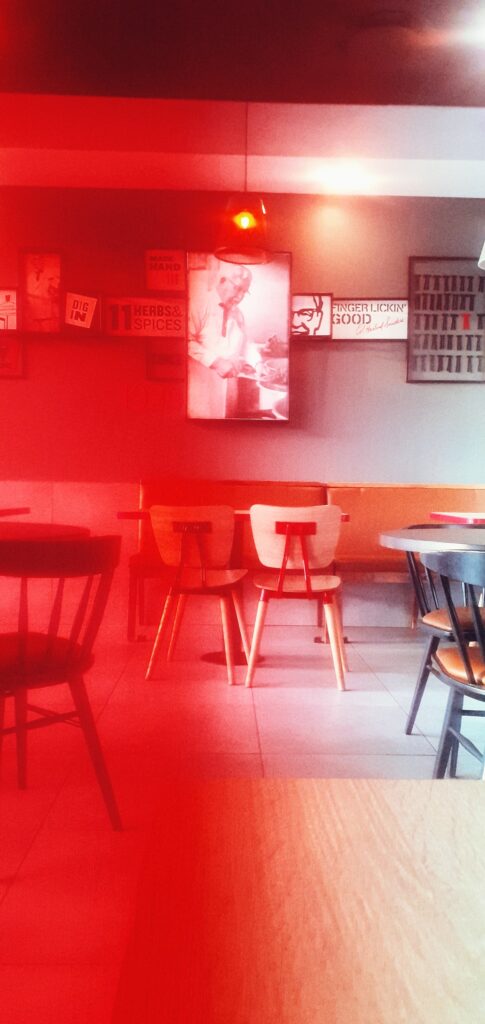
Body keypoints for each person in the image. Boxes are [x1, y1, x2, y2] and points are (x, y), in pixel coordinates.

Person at [188, 258, 259, 418]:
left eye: (244, 292)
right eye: (237, 289)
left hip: (229, 393)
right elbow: (184, 341)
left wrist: (245, 363)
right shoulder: (199, 304)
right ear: (222, 281)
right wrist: (216, 362)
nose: (240, 297)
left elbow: (240, 348)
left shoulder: (238, 314)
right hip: (202, 393)